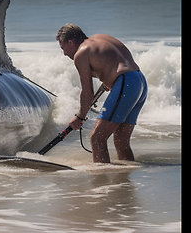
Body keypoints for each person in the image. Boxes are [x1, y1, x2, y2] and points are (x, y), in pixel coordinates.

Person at [56, 24, 147, 163]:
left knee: (97, 137)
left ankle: (100, 182)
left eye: (63, 48)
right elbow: (117, 62)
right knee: (121, 141)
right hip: (139, 81)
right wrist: (111, 81)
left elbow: (87, 92)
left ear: (71, 42)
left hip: (126, 83)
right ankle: (124, 182)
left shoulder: (81, 53)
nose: (64, 53)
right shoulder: (101, 38)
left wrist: (79, 116)